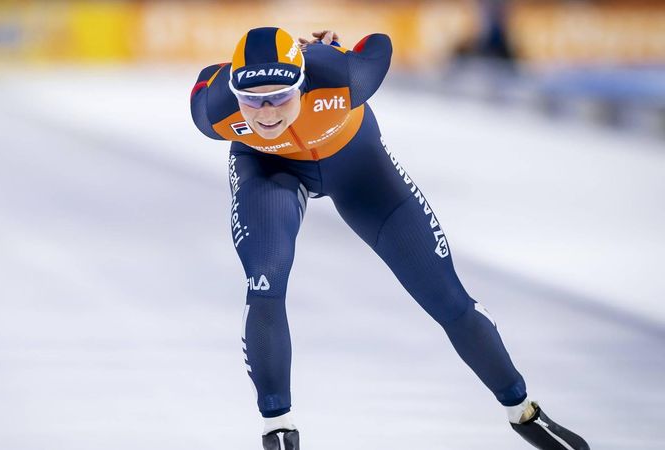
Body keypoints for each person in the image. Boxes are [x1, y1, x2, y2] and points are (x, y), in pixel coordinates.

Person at [189, 27, 590, 450]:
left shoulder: (343, 77)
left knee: (448, 299)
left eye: (281, 95)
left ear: (304, 81)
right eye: (252, 99)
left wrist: (337, 48)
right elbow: (203, 79)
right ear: (233, 90)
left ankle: (523, 411)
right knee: (265, 280)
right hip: (269, 170)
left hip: (359, 168)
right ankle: (278, 431)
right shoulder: (215, 112)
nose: (267, 113)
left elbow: (378, 43)